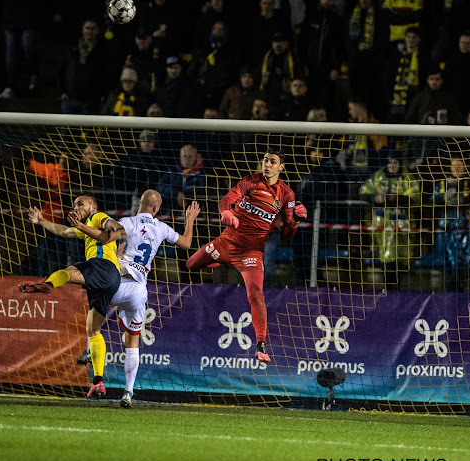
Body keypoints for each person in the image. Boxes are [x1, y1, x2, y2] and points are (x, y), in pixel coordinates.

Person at [185, 149, 307, 364]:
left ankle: (260, 345)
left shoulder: (286, 195)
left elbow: (288, 234)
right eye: (265, 160)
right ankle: (218, 260)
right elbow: (226, 199)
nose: (267, 164)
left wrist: (295, 220)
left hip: (251, 253)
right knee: (190, 264)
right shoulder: (250, 181)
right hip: (226, 242)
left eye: (272, 161)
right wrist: (226, 212)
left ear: (281, 167)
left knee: (256, 294)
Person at [79, 191, 200, 408]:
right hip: (138, 290)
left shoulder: (125, 222)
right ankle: (128, 392)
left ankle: (90, 351)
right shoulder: (162, 227)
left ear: (139, 205)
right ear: (156, 209)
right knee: (132, 341)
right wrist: (189, 220)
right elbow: (187, 243)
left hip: (116, 282)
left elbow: (105, 236)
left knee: (94, 313)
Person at [21, 194, 127, 399]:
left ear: (93, 206)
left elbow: (113, 226)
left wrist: (121, 236)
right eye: (74, 204)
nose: (76, 207)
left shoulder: (97, 217)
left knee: (70, 271)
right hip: (111, 279)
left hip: (101, 267)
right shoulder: (87, 226)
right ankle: (98, 383)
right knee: (93, 330)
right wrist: (42, 221)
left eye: (81, 203)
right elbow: (66, 231)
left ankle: (47, 284)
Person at [157, 144, 208, 214]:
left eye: (190, 156)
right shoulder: (172, 171)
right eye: (184, 156)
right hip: (172, 212)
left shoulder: (201, 173)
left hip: (195, 212)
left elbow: (204, 190)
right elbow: (160, 186)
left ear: (195, 157)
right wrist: (177, 193)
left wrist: (186, 196)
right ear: (180, 157)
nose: (187, 159)